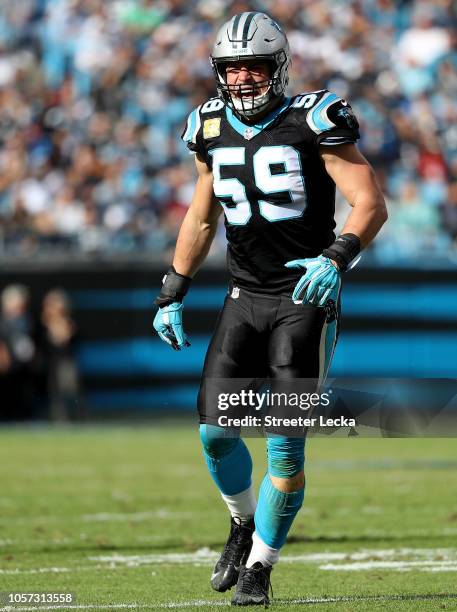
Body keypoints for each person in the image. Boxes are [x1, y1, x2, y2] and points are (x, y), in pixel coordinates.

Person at [153, 12, 387, 607]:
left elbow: (368, 202)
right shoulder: (206, 125)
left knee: (285, 446)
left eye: (252, 65)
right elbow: (203, 215)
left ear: (278, 67)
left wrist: (336, 257)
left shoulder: (315, 119)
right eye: (231, 68)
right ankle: (240, 521)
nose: (241, 79)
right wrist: (173, 289)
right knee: (213, 433)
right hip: (243, 296)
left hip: (304, 298)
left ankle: (261, 565)